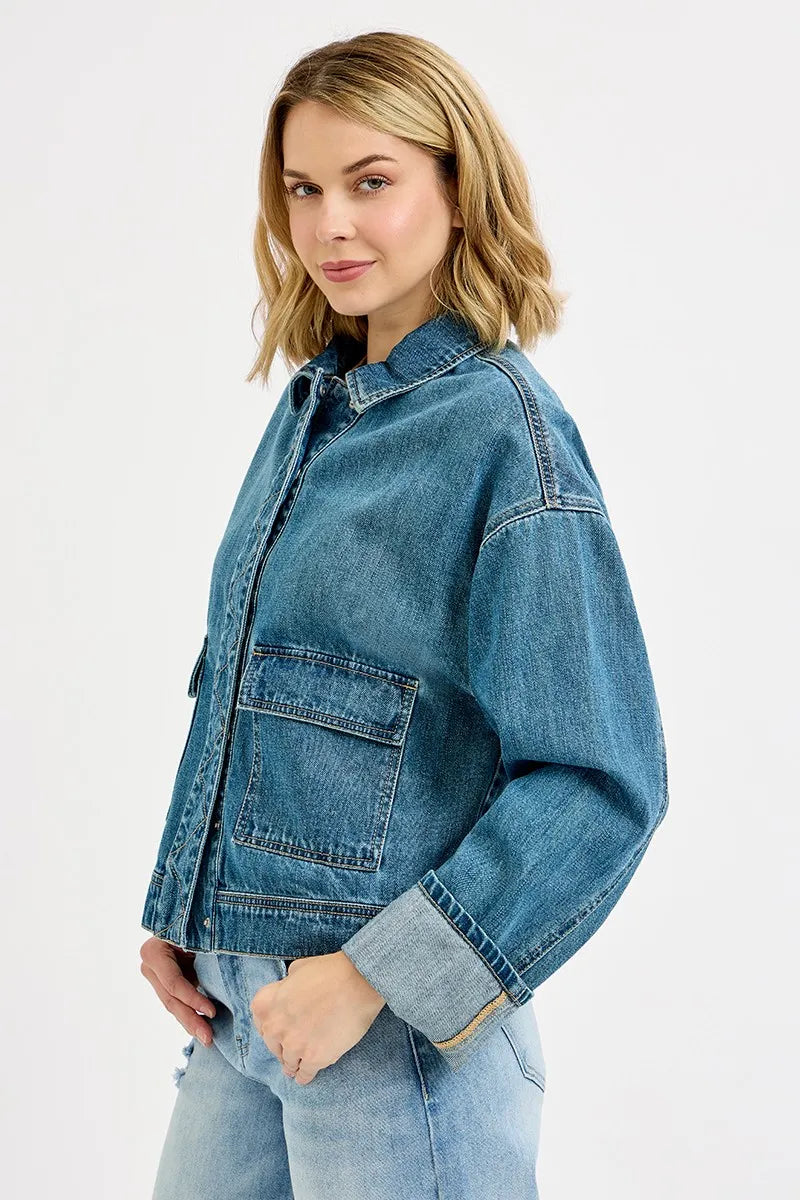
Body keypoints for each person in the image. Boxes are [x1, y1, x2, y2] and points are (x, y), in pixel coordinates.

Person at [139, 29, 669, 1200]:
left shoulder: (503, 438)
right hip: (242, 1014)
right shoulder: (313, 409)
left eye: (369, 182)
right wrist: (185, 909)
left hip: (393, 1050)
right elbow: (254, 680)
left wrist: (374, 977)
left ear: (454, 187)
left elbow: (598, 779)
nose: (329, 224)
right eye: (302, 188)